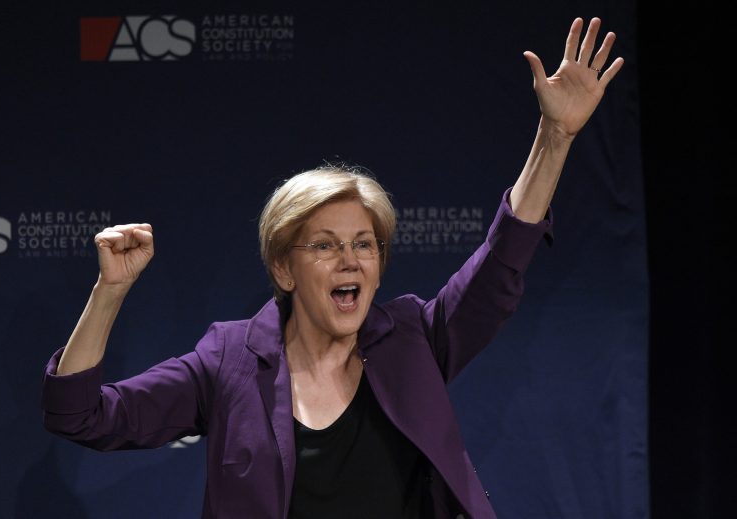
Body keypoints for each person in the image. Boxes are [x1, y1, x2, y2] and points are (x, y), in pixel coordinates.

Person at [42, 17, 623, 519]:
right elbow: (82, 416)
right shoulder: (229, 361)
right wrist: (109, 292)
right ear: (284, 268)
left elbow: (501, 263)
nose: (350, 259)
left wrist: (555, 136)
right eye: (323, 246)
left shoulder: (414, 338)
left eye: (364, 245)